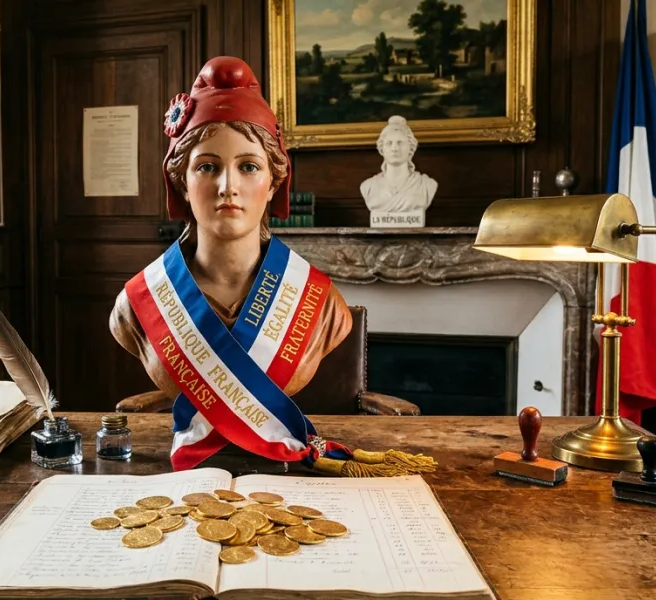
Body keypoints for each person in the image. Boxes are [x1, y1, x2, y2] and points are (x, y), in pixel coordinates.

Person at [109, 57, 436, 478]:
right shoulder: (138, 304)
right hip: (187, 483)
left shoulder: (322, 305)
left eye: (248, 166)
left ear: (273, 182)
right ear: (181, 183)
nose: (229, 186)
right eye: (207, 166)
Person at [360, 116, 438, 219]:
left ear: (411, 148)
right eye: (389, 143)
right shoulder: (368, 187)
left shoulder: (427, 185)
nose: (394, 148)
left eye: (400, 143)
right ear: (382, 149)